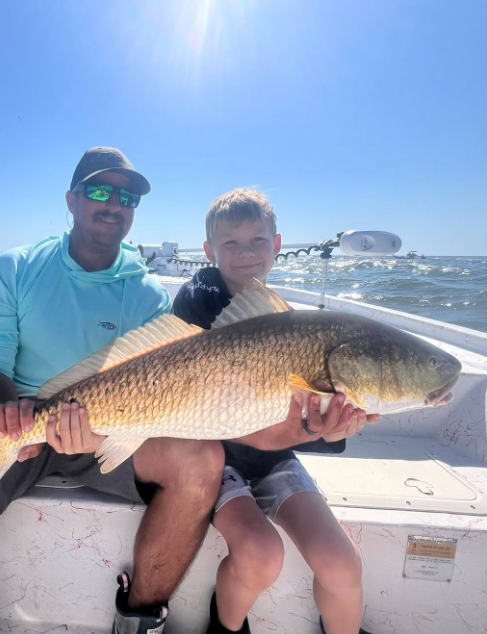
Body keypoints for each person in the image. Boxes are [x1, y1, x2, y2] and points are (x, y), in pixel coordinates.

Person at [0, 148, 225, 634]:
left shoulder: (149, 293)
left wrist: (100, 434)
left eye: (126, 196)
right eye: (100, 190)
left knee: (203, 461)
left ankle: (139, 617)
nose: (113, 204)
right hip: (18, 427)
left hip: (111, 431)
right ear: (72, 199)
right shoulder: (17, 267)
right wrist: (11, 417)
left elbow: (159, 394)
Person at [172, 189, 378, 634]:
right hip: (214, 457)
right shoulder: (194, 299)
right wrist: (310, 428)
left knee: (342, 565)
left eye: (257, 241)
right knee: (261, 553)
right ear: (209, 251)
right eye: (231, 243)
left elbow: (307, 418)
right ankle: (225, 626)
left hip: (275, 457)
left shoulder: (286, 321)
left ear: (277, 244)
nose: (245, 253)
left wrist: (336, 422)